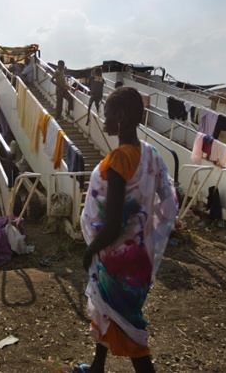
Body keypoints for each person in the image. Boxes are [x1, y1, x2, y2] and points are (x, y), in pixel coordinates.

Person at [75, 87, 179, 373]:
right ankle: (97, 367)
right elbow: (167, 201)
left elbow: (113, 224)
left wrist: (91, 250)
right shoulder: (151, 154)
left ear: (120, 116)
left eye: (106, 114)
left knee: (130, 328)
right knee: (108, 311)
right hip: (138, 257)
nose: (103, 119)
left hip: (117, 260)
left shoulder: (121, 159)